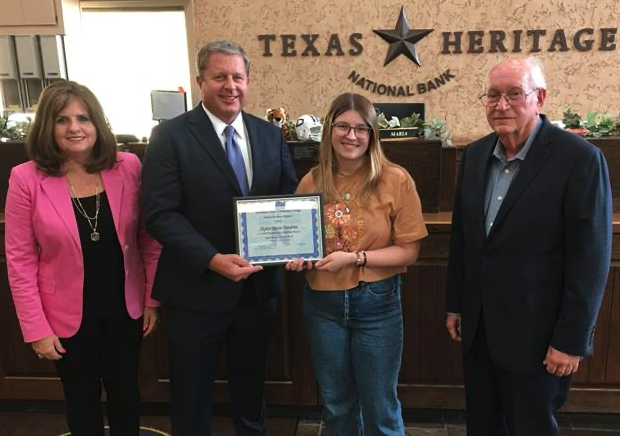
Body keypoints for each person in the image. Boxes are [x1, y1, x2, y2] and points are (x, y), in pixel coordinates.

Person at [445, 57, 612, 436]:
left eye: (514, 94)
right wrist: (456, 304)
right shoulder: (473, 156)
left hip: (540, 339)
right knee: (484, 426)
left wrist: (571, 340)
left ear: (540, 98)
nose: (501, 105)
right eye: (492, 95)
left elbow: (591, 259)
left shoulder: (580, 160)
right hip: (480, 331)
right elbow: (464, 240)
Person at [141, 40, 298, 436]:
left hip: (256, 291)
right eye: (220, 77)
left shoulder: (270, 136)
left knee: (251, 394)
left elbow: (287, 200)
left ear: (248, 81)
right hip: (195, 290)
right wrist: (213, 259)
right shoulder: (169, 137)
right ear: (200, 81)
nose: (231, 85)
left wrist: (296, 241)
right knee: (191, 399)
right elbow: (159, 214)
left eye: (238, 77)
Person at [4, 80, 161, 436]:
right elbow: (19, 260)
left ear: (97, 124)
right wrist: (36, 329)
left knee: (126, 394)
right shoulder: (26, 178)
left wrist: (152, 298)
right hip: (64, 315)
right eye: (62, 120)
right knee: (81, 399)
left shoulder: (129, 166)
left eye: (83, 118)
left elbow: (148, 239)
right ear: (48, 126)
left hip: (126, 307)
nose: (74, 128)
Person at [286, 92, 428, 435]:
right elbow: (298, 240)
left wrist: (356, 259)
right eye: (343, 127)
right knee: (337, 405)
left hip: (377, 303)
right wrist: (297, 257)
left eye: (361, 129)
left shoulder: (396, 179)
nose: (351, 136)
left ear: (372, 135)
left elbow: (409, 252)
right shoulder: (312, 181)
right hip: (322, 305)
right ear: (329, 131)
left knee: (381, 407)